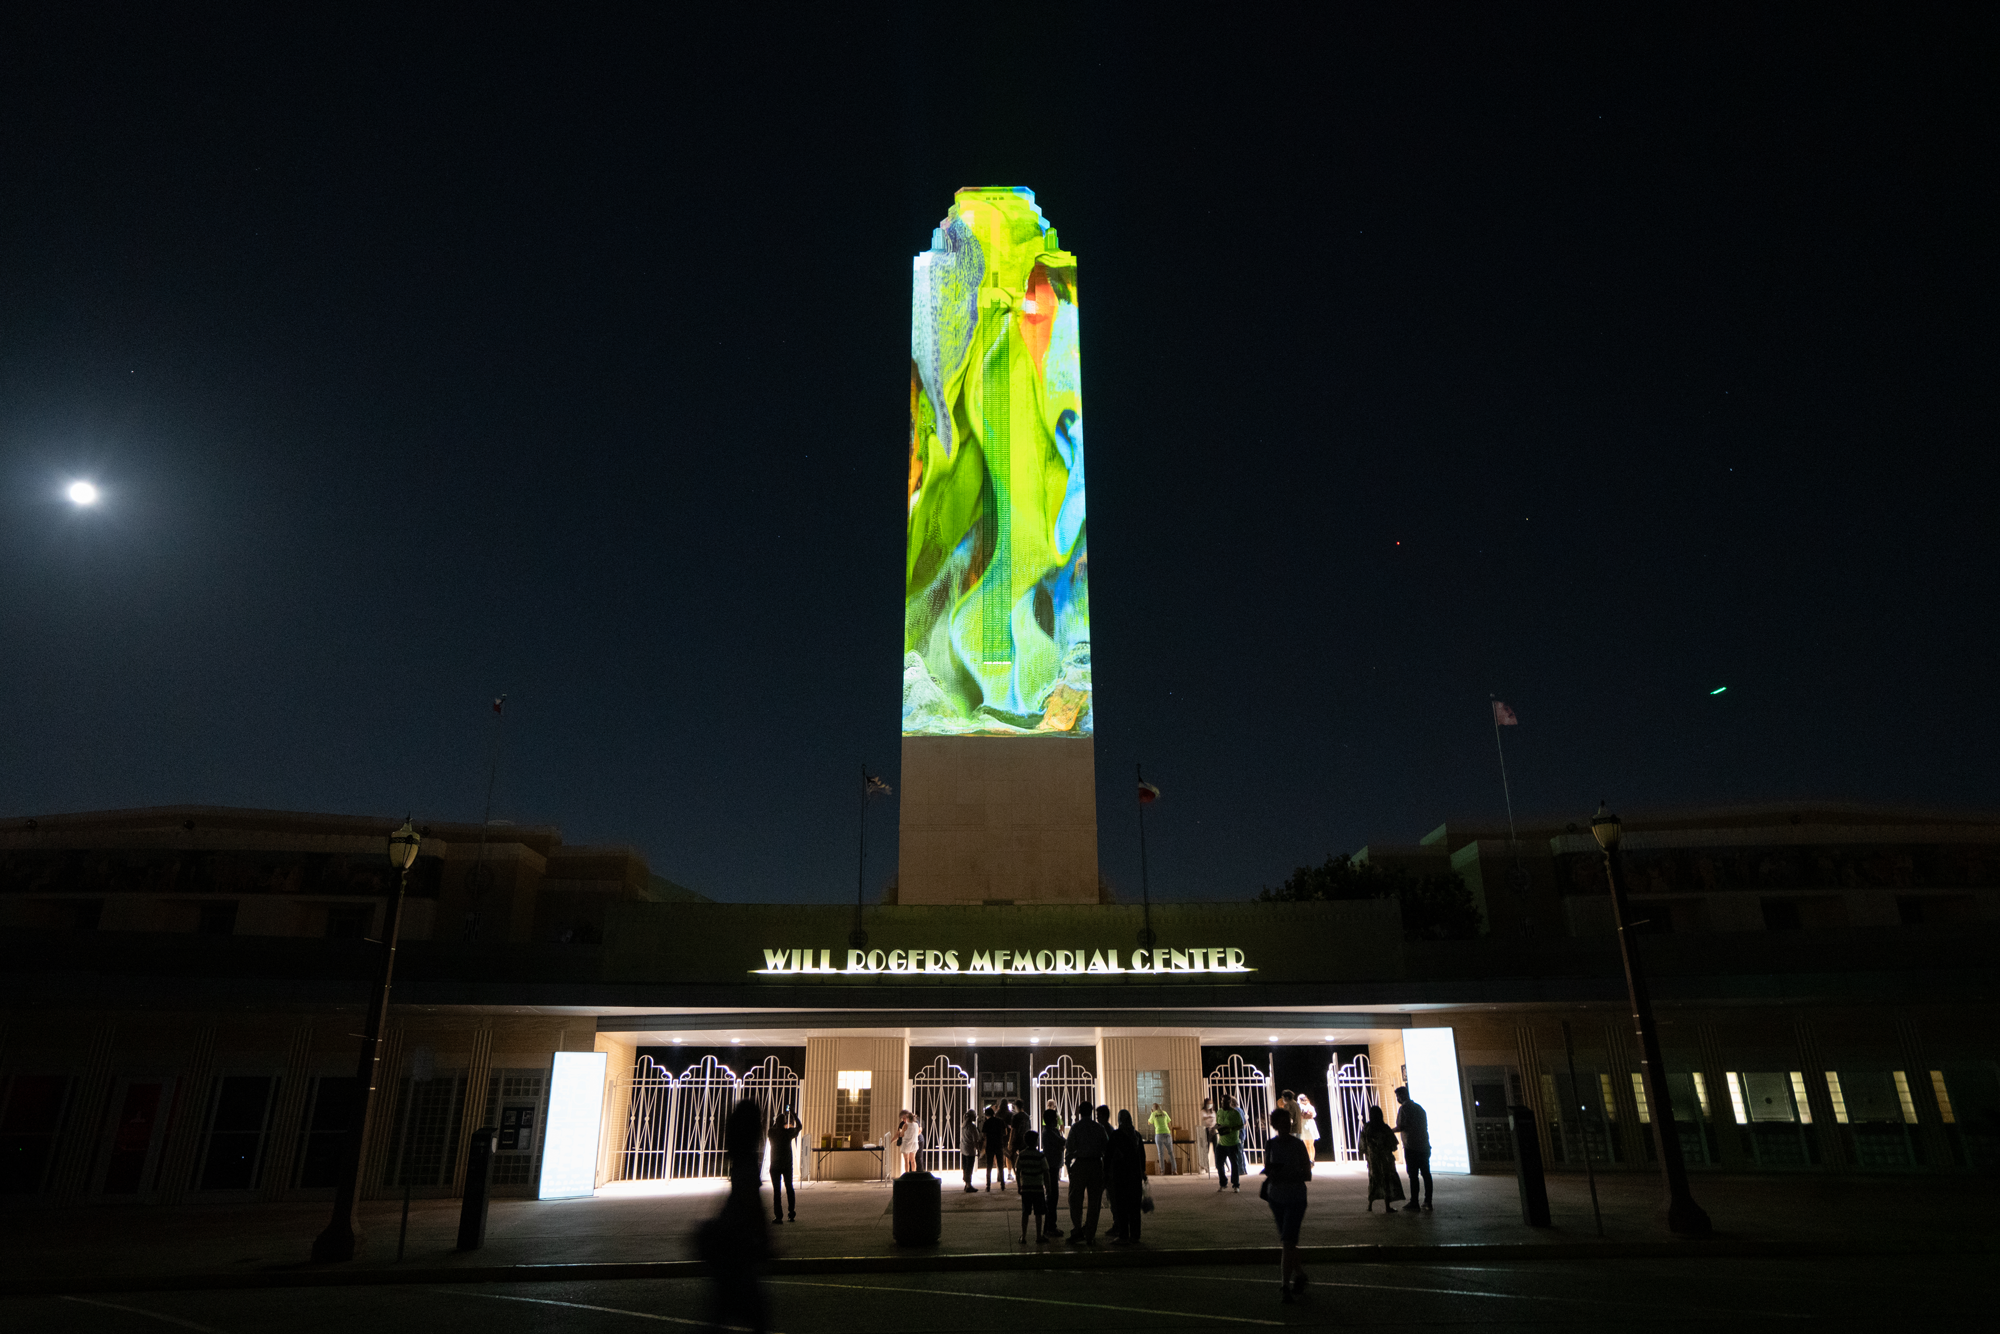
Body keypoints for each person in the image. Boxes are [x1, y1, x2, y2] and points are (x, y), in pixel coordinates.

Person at [697, 1099, 772, 1333]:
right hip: (739, 1247)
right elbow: (751, 1203)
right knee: (755, 1316)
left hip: (731, 1245)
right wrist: (765, 1240)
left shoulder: (738, 1159)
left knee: (720, 1314)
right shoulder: (747, 1162)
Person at [1261, 1106, 1314, 1303]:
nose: (1284, 1126)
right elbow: (1267, 1167)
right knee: (1288, 1240)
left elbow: (1307, 1173)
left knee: (1287, 1241)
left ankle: (1285, 1285)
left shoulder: (1298, 1145)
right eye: (1280, 1123)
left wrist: (1289, 1175)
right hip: (1277, 1198)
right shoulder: (1271, 1144)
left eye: (1287, 1122)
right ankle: (1300, 1274)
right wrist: (1272, 1173)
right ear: (1275, 1125)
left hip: (1295, 1196)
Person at [1063, 1097, 1107, 1244]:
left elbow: (1069, 1150)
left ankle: (1077, 1229)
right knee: (1094, 1202)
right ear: (1092, 1112)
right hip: (1095, 1165)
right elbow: (1106, 1149)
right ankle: (1090, 1233)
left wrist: (1069, 1168)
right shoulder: (1099, 1128)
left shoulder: (1076, 1128)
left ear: (1080, 1112)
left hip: (1080, 1164)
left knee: (1075, 1200)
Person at [1106, 1108, 1146, 1245]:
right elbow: (1142, 1156)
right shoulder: (1136, 1135)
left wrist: (1106, 1174)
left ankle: (1123, 1234)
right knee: (1134, 1207)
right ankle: (1135, 1235)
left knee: (1122, 1205)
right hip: (1135, 1176)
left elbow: (1108, 1156)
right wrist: (1143, 1172)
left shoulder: (1117, 1135)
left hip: (1121, 1175)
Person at [1358, 1103, 1403, 1213]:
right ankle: (1387, 1206)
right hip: (1385, 1159)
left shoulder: (1367, 1128)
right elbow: (1393, 1145)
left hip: (1373, 1159)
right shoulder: (1384, 1128)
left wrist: (1367, 1153)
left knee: (1373, 1180)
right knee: (1386, 1181)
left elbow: (1362, 1145)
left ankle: (1370, 1205)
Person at [1393, 1086, 1432, 1212]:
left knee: (1413, 1176)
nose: (1397, 1099)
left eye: (1398, 1096)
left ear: (1401, 1096)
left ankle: (1414, 1201)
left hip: (1411, 1147)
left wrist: (1388, 1131)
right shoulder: (1419, 1108)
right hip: (1424, 1146)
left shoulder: (1404, 1109)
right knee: (1426, 1174)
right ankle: (1428, 1201)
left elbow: (1401, 1126)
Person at [1014, 1129, 1056, 1243]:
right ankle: (1038, 1236)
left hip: (1026, 1188)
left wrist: (1019, 1186)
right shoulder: (1040, 1156)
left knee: (1025, 1213)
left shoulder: (1021, 1155)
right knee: (1039, 1213)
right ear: (1036, 1141)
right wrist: (1048, 1187)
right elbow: (1046, 1172)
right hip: (1038, 1188)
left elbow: (1018, 1171)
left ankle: (1023, 1236)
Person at [768, 1105, 801, 1223]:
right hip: (787, 1165)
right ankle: (791, 1213)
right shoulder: (788, 1133)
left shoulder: (771, 1132)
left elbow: (772, 1128)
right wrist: (793, 1114)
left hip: (775, 1165)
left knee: (777, 1191)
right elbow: (800, 1127)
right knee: (789, 1188)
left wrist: (776, 1122)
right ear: (784, 1124)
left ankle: (778, 1216)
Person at [1214, 1092, 1246, 1192]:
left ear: (1229, 1102)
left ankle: (1236, 1185)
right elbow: (1218, 1122)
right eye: (1222, 1102)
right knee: (1219, 1164)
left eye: (1226, 1102)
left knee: (1234, 1165)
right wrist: (1217, 1127)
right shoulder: (1219, 1112)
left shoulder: (1235, 1113)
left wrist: (1230, 1129)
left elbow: (1241, 1125)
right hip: (1221, 1142)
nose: (1223, 1104)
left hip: (1233, 1143)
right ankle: (1223, 1183)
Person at [982, 1104, 1009, 1191]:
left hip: (990, 1145)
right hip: (999, 1144)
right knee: (1000, 1165)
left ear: (986, 1115)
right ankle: (1002, 1185)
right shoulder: (1000, 1121)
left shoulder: (986, 1122)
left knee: (989, 1166)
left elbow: (984, 1135)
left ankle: (988, 1186)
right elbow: (1005, 1133)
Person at [1041, 1102, 1067, 1193]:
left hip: (1054, 1161)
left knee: (1053, 1185)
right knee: (1052, 1188)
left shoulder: (1051, 1130)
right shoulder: (1049, 1131)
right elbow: (1062, 1141)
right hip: (1052, 1161)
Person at [1147, 1102, 1175, 1175]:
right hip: (1167, 1133)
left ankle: (1162, 1171)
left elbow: (1149, 1123)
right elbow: (1169, 1124)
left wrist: (1151, 1113)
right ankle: (1174, 1170)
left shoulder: (1153, 1114)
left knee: (1161, 1153)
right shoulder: (1164, 1113)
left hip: (1159, 1133)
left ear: (1153, 1108)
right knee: (1171, 1153)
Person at [895, 1109, 922, 1175]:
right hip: (914, 1143)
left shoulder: (905, 1125)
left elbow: (902, 1134)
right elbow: (919, 1132)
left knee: (906, 1161)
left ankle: (907, 1174)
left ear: (908, 1119)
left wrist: (901, 1133)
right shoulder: (916, 1124)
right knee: (913, 1160)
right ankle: (914, 1174)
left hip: (906, 1144)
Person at [960, 1108, 981, 1193]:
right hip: (970, 1150)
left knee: (965, 1167)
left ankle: (966, 1184)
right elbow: (975, 1140)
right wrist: (978, 1150)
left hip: (963, 1149)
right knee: (969, 1168)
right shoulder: (972, 1127)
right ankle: (969, 1185)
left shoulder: (963, 1126)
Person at [1295, 1093, 1319, 1162]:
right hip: (1311, 1124)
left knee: (1306, 1144)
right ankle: (1312, 1159)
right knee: (1311, 1144)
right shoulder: (1311, 1106)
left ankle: (1308, 1160)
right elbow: (1314, 1115)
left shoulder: (1300, 1107)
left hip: (1304, 1124)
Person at [1198, 1097, 1218, 1176]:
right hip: (1206, 1130)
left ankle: (1218, 1165)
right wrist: (1209, 1117)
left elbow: (1215, 1120)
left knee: (1216, 1148)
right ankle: (1205, 1166)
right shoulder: (1203, 1111)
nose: (1210, 1105)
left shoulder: (1213, 1112)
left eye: (1211, 1103)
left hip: (1213, 1129)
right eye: (1209, 1103)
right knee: (1206, 1148)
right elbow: (1203, 1118)